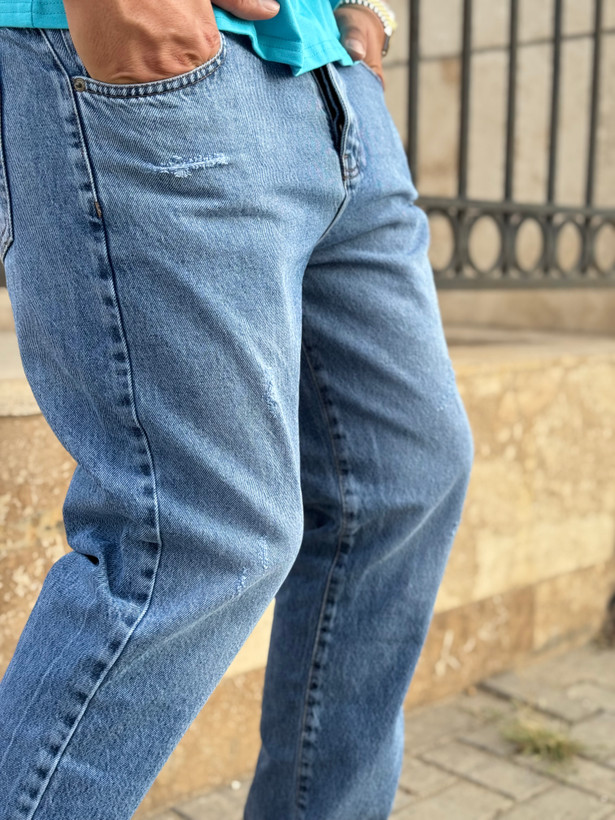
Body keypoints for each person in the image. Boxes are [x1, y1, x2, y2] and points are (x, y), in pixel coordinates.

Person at [0, 1, 474, 817]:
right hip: (173, 66)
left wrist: (362, 15)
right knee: (193, 538)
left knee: (404, 477)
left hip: (336, 85)